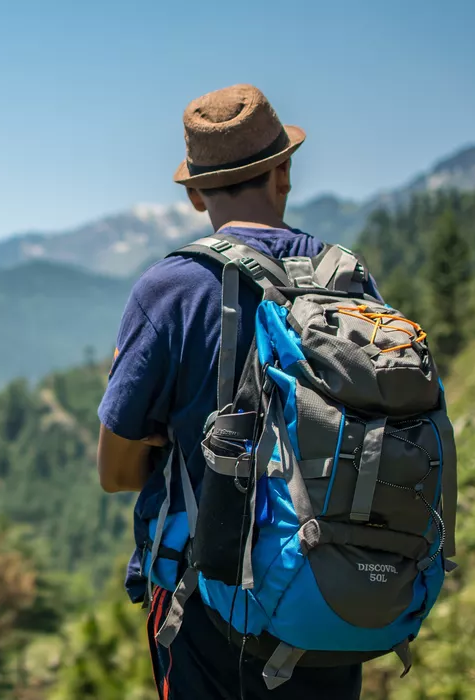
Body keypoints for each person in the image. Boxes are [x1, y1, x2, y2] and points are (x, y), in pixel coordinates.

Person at [96, 84, 373, 699]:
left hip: (209, 604)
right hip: (331, 591)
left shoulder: (170, 289)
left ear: (195, 193)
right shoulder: (347, 280)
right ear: (285, 172)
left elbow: (115, 473)